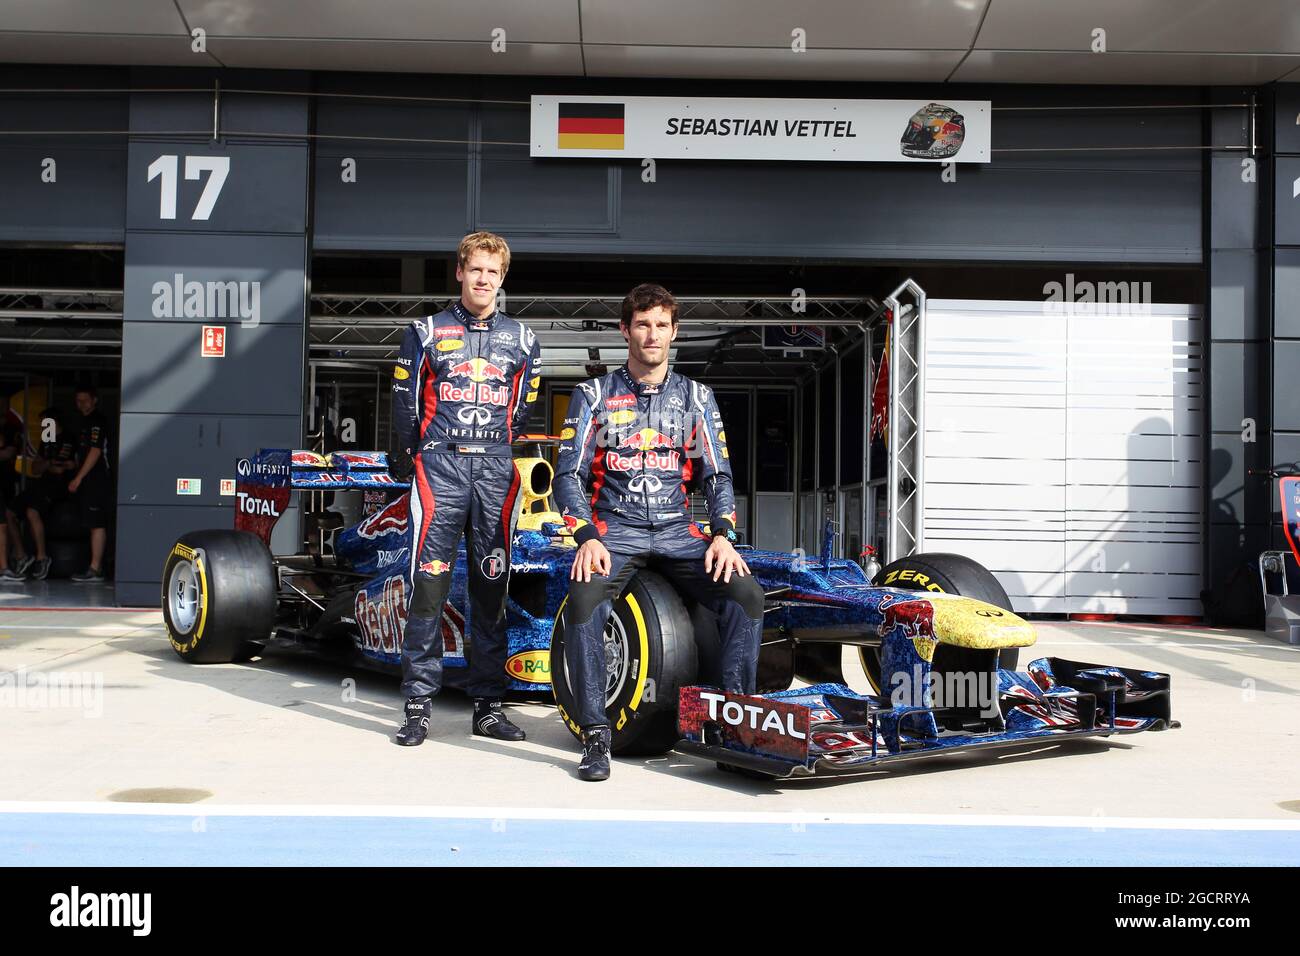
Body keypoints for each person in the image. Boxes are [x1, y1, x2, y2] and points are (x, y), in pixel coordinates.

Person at [554, 283, 764, 781]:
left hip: (677, 530)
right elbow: (568, 476)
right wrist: (585, 535)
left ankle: (732, 725)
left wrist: (722, 534)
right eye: (642, 324)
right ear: (625, 330)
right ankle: (596, 734)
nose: (653, 335)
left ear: (674, 332)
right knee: (583, 603)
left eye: (662, 326)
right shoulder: (592, 394)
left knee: (747, 597)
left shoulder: (697, 397)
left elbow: (718, 475)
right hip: (615, 529)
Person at [390, 231, 542, 746]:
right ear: (460, 272)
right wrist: (421, 455)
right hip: (440, 469)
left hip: (497, 472)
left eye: (492, 272)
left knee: (491, 592)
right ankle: (417, 706)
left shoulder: (523, 341)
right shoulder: (425, 331)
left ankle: (489, 706)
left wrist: (495, 451)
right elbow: (405, 407)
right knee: (428, 588)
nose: (483, 280)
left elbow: (521, 413)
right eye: (475, 270)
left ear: (502, 278)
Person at [11, 412, 77, 581]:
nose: (43, 427)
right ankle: (22, 556)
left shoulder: (69, 438)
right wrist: (48, 464)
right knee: (8, 512)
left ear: (55, 422)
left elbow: (62, 469)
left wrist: (49, 465)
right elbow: (35, 469)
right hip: (42, 484)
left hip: (60, 487)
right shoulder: (46, 440)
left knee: (32, 511)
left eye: (46, 423)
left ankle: (42, 558)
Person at [67, 385, 112, 582]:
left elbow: (95, 451)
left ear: (94, 400)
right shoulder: (82, 422)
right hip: (88, 479)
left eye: (85, 400)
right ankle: (94, 566)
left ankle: (95, 569)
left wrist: (78, 477)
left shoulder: (97, 421)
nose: (82, 404)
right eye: (78, 401)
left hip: (97, 479)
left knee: (97, 523)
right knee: (91, 523)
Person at [0, 423, 19, 582]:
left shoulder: (9, 429)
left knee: (2, 525)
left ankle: (4, 568)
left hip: (4, 484)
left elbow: (8, 453)